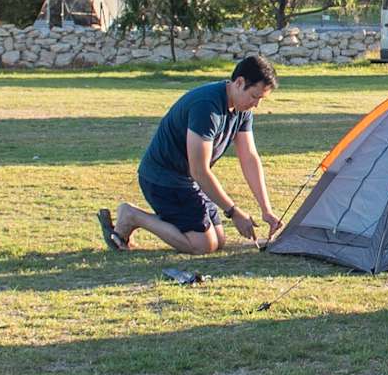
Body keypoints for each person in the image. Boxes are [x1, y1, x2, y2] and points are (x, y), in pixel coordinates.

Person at [105, 55, 282, 253]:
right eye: (254, 97)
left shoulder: (242, 110)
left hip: (189, 181)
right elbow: (199, 170)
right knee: (203, 245)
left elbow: (249, 157)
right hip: (163, 179)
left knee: (219, 240)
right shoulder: (206, 107)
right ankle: (132, 216)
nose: (256, 104)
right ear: (239, 82)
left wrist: (266, 210)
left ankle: (155, 219)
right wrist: (233, 212)